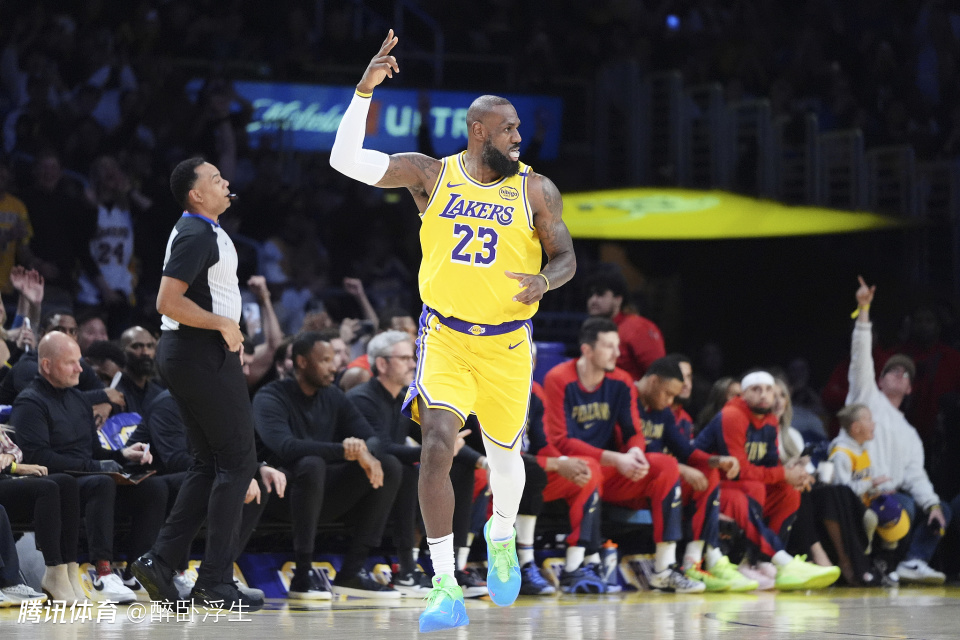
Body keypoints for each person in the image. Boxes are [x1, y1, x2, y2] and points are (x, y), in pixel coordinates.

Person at [330, 30, 576, 632]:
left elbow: (567, 257)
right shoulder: (430, 175)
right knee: (438, 444)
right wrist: (363, 91)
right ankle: (444, 585)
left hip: (509, 343)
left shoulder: (536, 189)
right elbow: (344, 161)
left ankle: (500, 532)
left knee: (505, 456)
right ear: (478, 131)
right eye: (508, 129)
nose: (518, 137)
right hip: (445, 336)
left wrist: (545, 281)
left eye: (519, 129)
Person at [129, 157, 263, 611]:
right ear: (196, 194)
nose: (226, 182)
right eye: (216, 179)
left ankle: (161, 561)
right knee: (238, 462)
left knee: (209, 464)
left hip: (191, 354)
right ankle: (215, 581)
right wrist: (223, 324)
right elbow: (167, 300)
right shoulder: (195, 233)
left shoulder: (205, 230)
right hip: (198, 353)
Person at [542, 318, 702, 593]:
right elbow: (560, 441)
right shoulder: (559, 378)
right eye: (609, 346)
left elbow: (632, 431)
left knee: (665, 464)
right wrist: (617, 459)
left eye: (617, 346)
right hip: (568, 469)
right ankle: (579, 566)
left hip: (607, 470)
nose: (617, 353)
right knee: (590, 466)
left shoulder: (622, 381)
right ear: (587, 350)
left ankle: (664, 569)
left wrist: (636, 452)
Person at [10, 331, 165, 603]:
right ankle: (103, 573)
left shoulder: (79, 399)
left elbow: (94, 452)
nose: (80, 369)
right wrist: (96, 466)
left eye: (79, 361)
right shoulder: (29, 402)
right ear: (46, 365)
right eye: (71, 363)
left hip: (90, 480)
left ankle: (137, 571)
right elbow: (37, 457)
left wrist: (123, 455)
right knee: (100, 482)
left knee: (154, 487)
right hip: (59, 485)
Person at [253, 331, 402, 599]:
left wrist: (365, 452)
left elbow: (372, 438)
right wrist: (346, 451)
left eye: (333, 360)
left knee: (389, 465)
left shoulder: (333, 396)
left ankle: (352, 572)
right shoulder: (270, 396)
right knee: (312, 464)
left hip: (323, 496)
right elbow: (285, 447)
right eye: (324, 360)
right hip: (278, 495)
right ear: (301, 362)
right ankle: (302, 575)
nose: (334, 367)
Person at [346, 331, 487, 597]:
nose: (413, 364)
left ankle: (454, 565)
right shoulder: (362, 398)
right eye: (404, 358)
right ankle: (406, 568)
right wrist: (432, 452)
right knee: (406, 469)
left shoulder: (402, 399)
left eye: (413, 358)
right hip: (358, 479)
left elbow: (439, 440)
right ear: (382, 364)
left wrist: (482, 460)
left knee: (461, 468)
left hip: (391, 477)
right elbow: (380, 447)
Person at [845, 277, 951, 584]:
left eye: (906, 374)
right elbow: (860, 356)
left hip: (890, 495)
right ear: (879, 379)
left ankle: (913, 562)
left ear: (909, 388)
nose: (900, 373)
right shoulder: (866, 398)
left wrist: (931, 504)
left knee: (941, 507)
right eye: (892, 370)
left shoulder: (910, 433)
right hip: (860, 489)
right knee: (902, 505)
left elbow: (915, 476)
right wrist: (864, 310)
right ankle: (883, 563)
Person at [695, 371, 840, 590]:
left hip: (739, 486)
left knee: (788, 491)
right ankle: (772, 560)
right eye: (756, 389)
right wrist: (783, 474)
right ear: (744, 394)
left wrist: (792, 475)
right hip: (709, 486)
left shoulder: (770, 420)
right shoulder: (733, 415)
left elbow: (770, 465)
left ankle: (762, 561)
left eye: (768, 390)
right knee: (753, 487)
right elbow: (739, 471)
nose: (763, 395)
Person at [635, 355, 755, 591]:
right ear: (654, 382)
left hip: (659, 479)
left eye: (673, 396)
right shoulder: (628, 400)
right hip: (632, 477)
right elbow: (630, 452)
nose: (670, 401)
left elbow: (685, 450)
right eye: (668, 394)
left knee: (709, 474)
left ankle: (693, 561)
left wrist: (716, 460)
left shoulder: (663, 411)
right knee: (670, 469)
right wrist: (680, 468)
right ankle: (670, 567)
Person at [0, 424, 81, 603]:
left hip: (6, 478)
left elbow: (15, 450)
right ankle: (53, 569)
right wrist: (15, 467)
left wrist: (10, 457)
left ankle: (68, 571)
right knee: (46, 488)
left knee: (66, 483)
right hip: (6, 477)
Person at [585, 269, 665, 380]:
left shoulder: (637, 327)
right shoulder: (591, 330)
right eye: (590, 295)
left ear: (618, 299)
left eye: (600, 294)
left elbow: (660, 375)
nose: (593, 300)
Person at [116, 326, 163, 416]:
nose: (145, 352)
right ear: (122, 350)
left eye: (149, 346)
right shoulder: (114, 392)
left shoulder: (159, 394)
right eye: (137, 346)